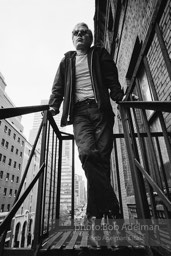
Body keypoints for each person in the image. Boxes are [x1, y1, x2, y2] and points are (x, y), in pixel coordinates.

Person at [48, 22, 125, 246]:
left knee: (100, 160)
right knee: (87, 155)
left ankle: (94, 219)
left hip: (101, 110)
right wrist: (54, 106)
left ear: (91, 37)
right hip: (79, 113)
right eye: (76, 32)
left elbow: (112, 80)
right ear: (72, 38)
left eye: (84, 32)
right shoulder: (67, 61)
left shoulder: (100, 54)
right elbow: (58, 88)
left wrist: (120, 97)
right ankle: (112, 206)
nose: (80, 35)